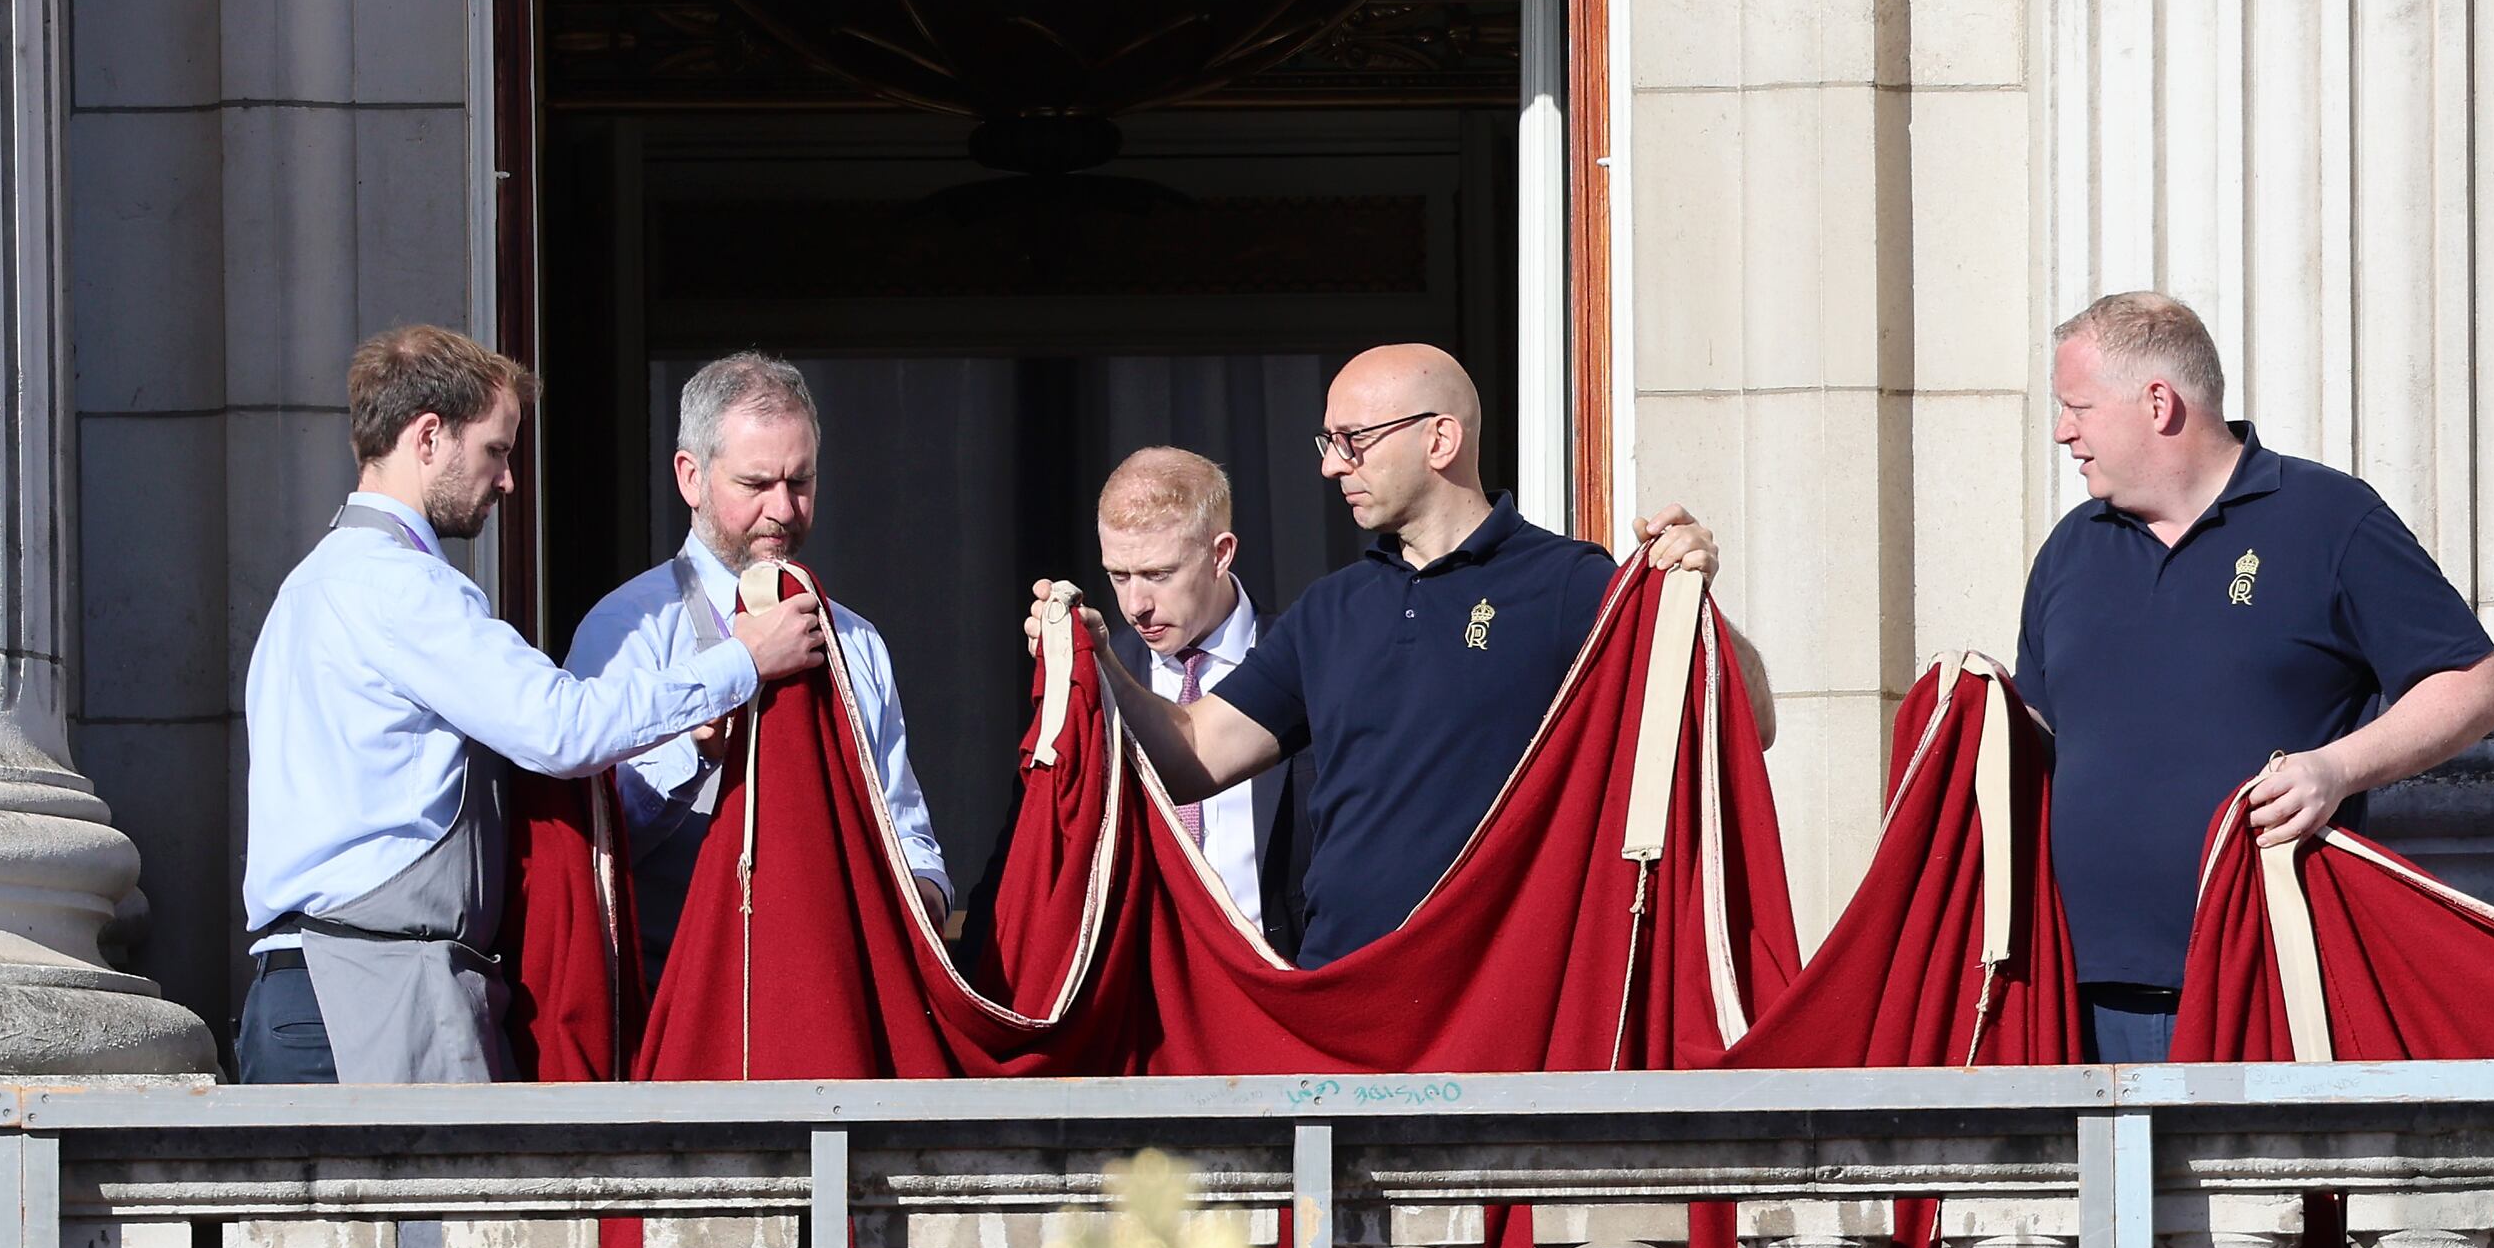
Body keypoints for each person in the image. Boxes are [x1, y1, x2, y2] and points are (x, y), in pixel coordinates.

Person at [238, 326, 811, 1248]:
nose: (509, 481)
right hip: (375, 992)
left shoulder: (313, 587)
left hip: (322, 989)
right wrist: (739, 660)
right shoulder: (394, 585)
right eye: (496, 452)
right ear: (427, 436)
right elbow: (557, 725)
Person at [1056, 344, 1753, 967]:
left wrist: (1693, 598)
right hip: (1342, 997)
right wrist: (1098, 661)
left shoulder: (1567, 583)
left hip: (1499, 999)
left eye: (1352, 439)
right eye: (1328, 441)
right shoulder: (1331, 609)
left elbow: (1745, 721)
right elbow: (1192, 754)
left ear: (1440, 438)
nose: (1332, 465)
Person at [2012, 292, 2494, 1063]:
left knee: (2264, 1191)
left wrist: (2336, 768)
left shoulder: (2328, 518)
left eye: (2077, 406)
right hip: (2083, 1000)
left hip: (2268, 982)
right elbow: (2037, 742)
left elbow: (2477, 684)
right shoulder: (2070, 551)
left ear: (2157, 403)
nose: (2062, 431)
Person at [565, 352, 954, 967]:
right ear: (690, 477)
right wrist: (691, 756)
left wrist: (922, 894)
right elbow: (591, 853)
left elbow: (904, 826)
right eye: (755, 484)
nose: (782, 509)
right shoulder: (627, 630)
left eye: (800, 482)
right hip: (674, 991)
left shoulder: (855, 641)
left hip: (824, 983)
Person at [1094, 445, 1308, 947]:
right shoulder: (1101, 673)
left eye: (1159, 575)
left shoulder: (1305, 662)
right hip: (1150, 992)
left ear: (1220, 553)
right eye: (1118, 576)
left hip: (1283, 978)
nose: (1135, 605)